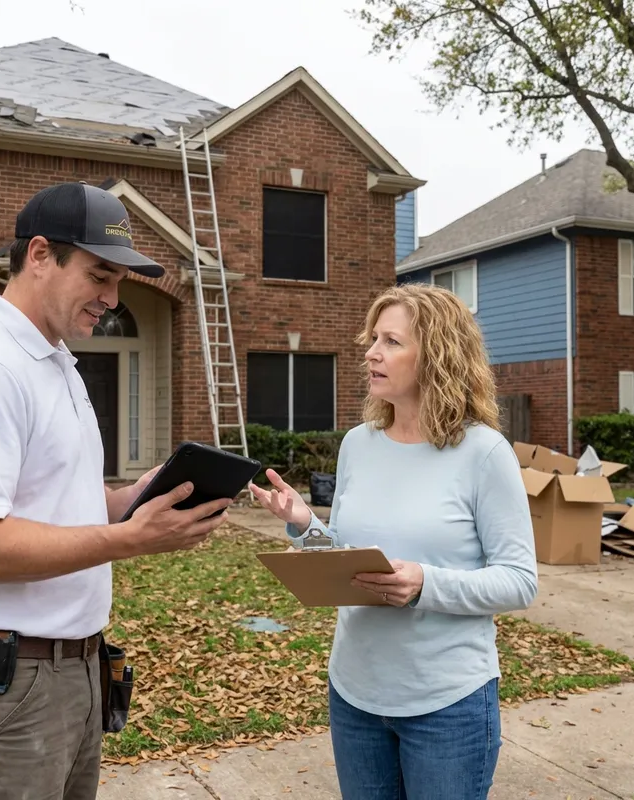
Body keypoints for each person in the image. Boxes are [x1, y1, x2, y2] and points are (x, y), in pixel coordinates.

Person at [0, 181, 232, 800]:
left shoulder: (54, 363)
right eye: (100, 276)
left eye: (118, 283)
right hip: (0, 685)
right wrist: (127, 539)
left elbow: (58, 505)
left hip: (73, 671)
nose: (111, 301)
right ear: (38, 255)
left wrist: (136, 498)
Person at [249, 283, 538, 800]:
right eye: (373, 338)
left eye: (391, 341)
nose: (371, 352)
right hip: (355, 694)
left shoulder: (484, 453)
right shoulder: (360, 445)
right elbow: (347, 558)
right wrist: (304, 525)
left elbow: (519, 582)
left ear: (438, 356)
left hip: (448, 704)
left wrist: (424, 582)